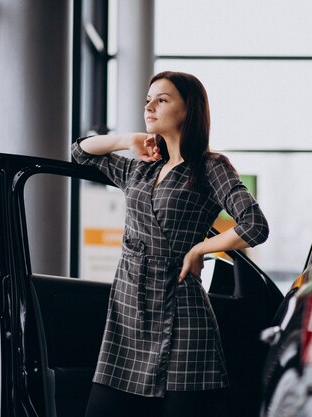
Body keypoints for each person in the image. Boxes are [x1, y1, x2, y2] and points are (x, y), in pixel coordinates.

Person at [72, 71, 269, 417]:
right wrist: (128, 140)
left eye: (162, 100)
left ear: (188, 110)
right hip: (128, 311)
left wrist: (199, 249)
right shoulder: (141, 171)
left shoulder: (209, 167)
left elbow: (255, 225)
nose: (150, 106)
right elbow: (80, 153)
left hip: (182, 315)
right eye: (148, 99)